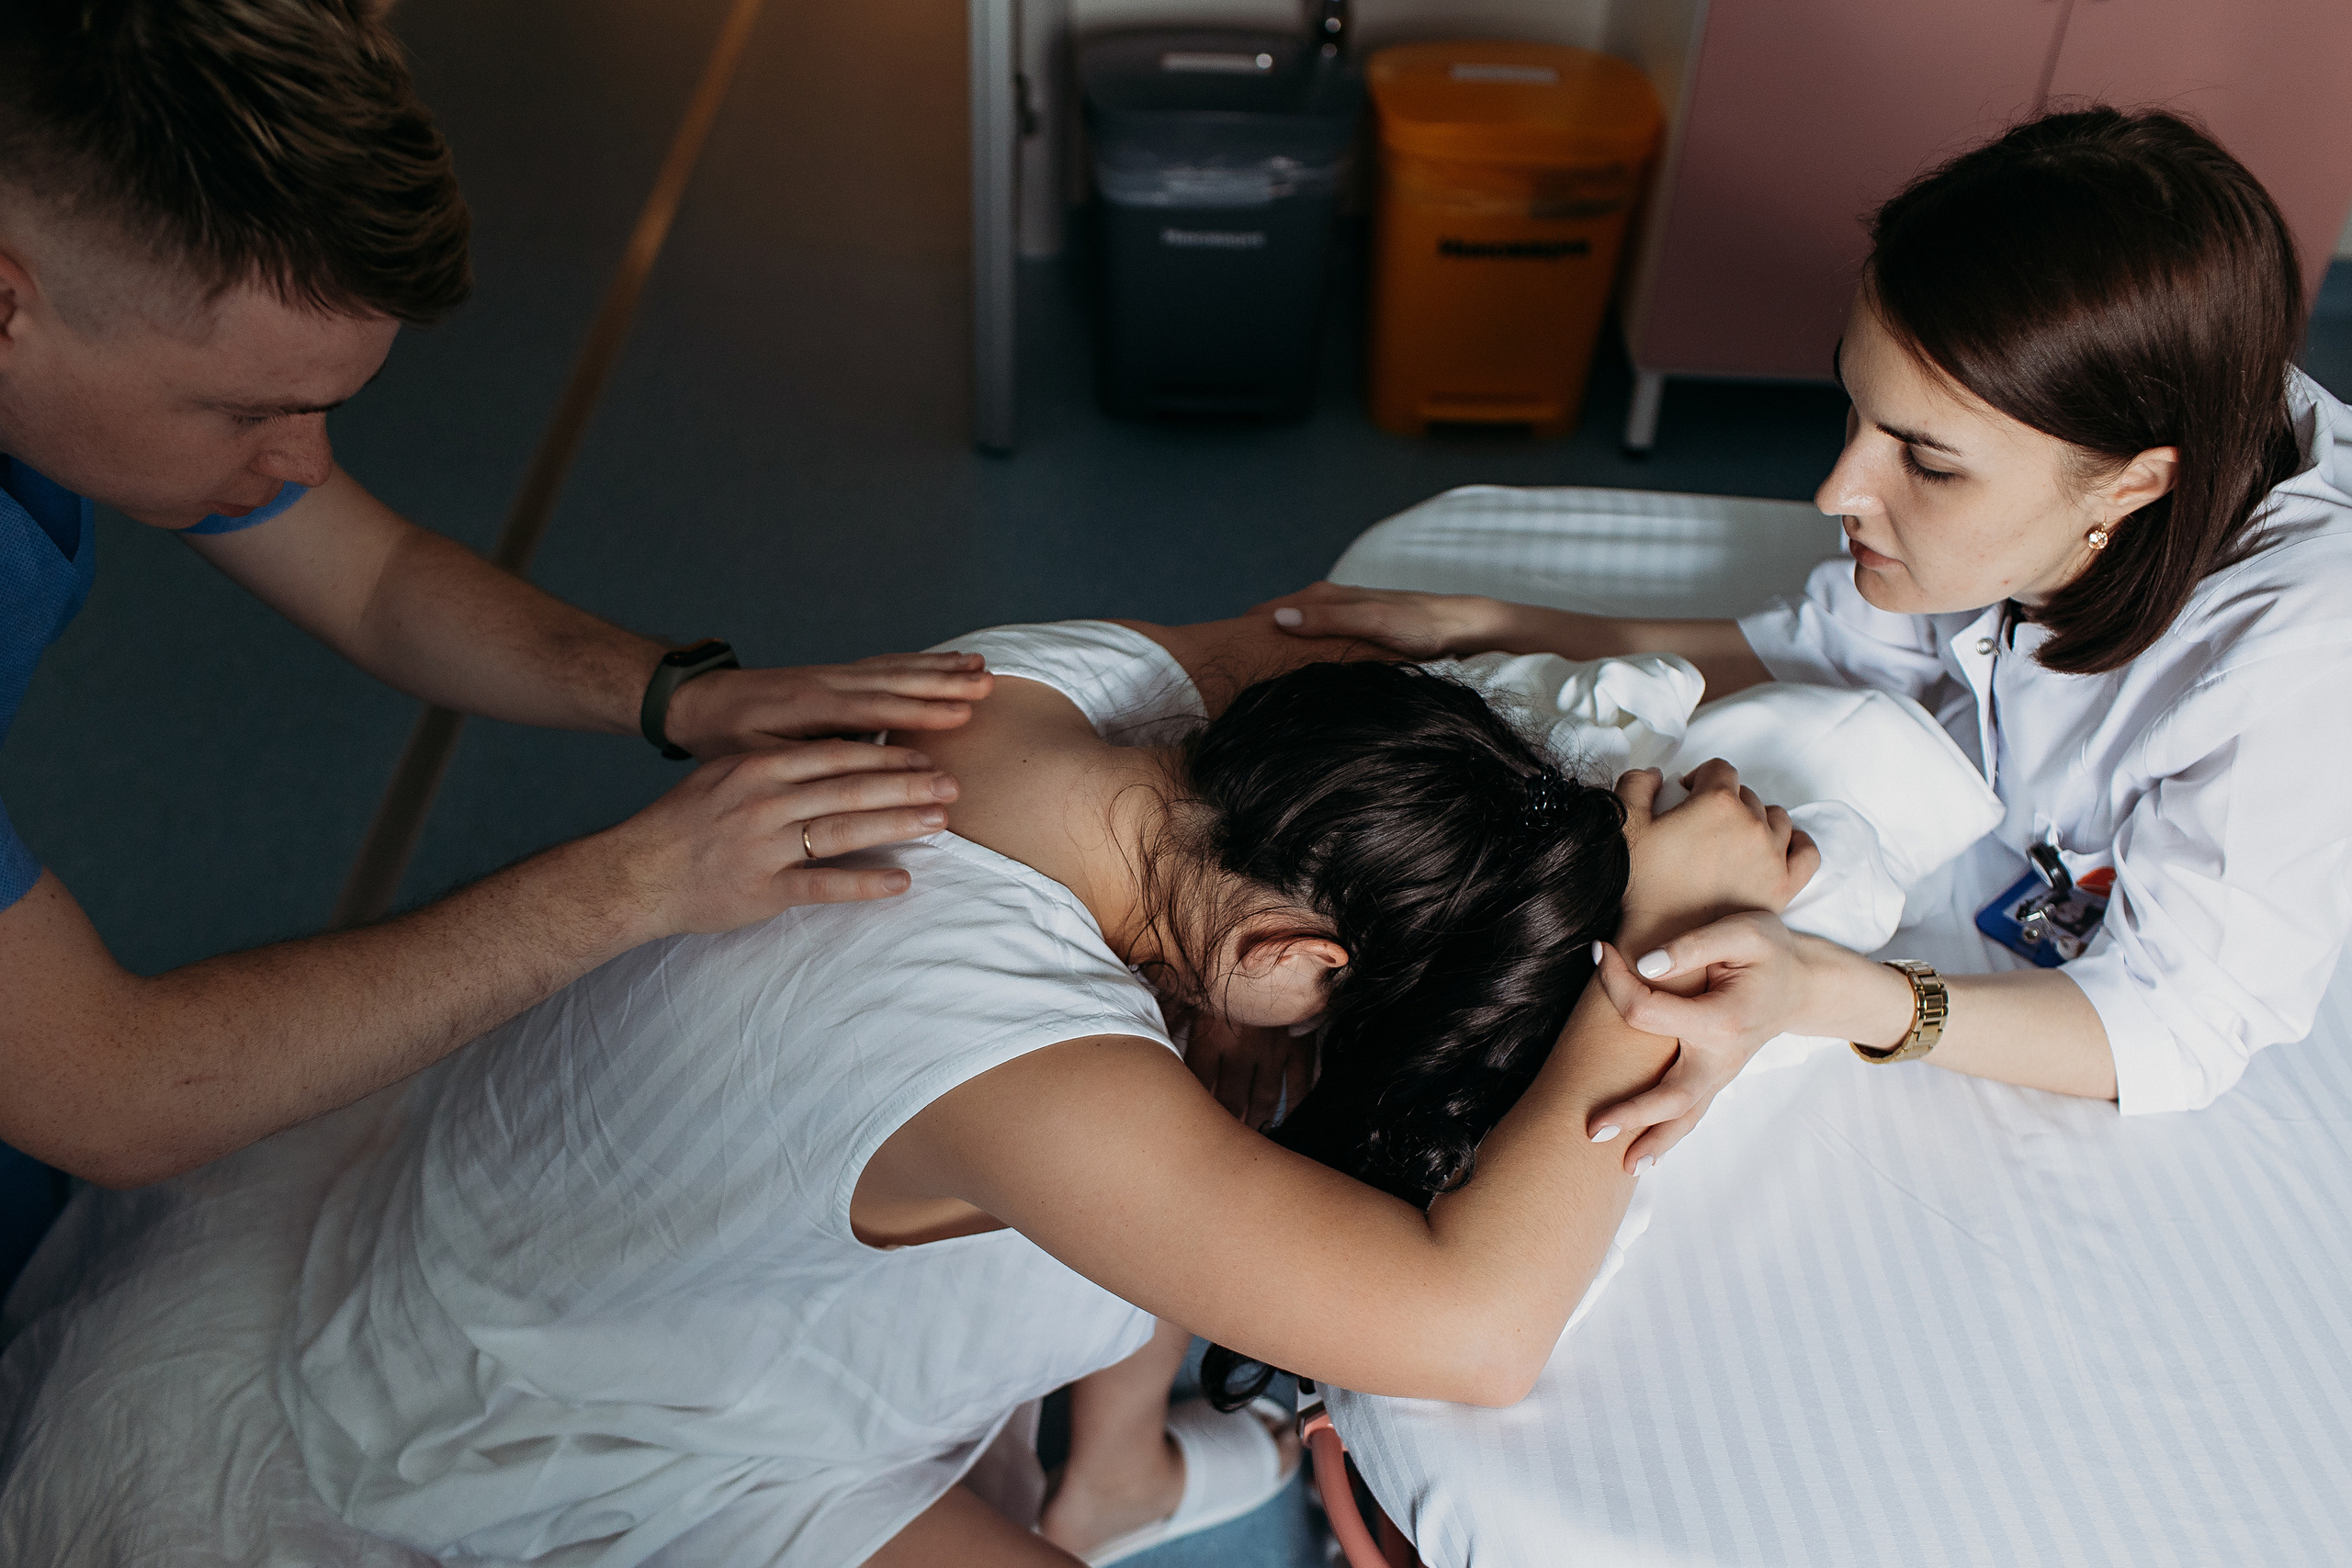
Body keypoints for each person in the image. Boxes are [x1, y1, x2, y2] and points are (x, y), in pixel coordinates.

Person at [0, 614, 1819, 1565]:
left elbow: (1307, 632)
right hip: (604, 1416)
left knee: (1205, 1110)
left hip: (542, 1207)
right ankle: (1095, 1474)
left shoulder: (1043, 686)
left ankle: (1101, 1468)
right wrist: (1635, 968)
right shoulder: (1031, 1075)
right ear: (1285, 949)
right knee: (1210, 1127)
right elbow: (1469, 1331)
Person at [0, 0, 988, 1251]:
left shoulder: (85, 358)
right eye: (251, 411)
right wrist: (644, 878)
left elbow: (372, 578)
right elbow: (111, 1087)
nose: (299, 461)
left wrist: (673, 692)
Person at [1266, 107, 2352, 1169]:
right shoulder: (2100, 441)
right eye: (1856, 411)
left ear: (2132, 484)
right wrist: (1495, 625)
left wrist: (1826, 993)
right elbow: (1838, 641)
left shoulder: (2289, 670)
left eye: (1924, 463)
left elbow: (2179, 1027)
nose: (1837, 491)